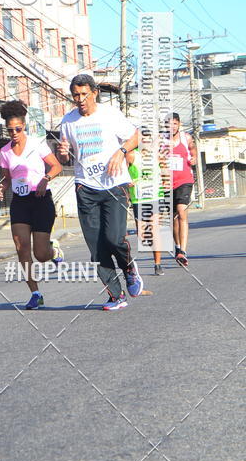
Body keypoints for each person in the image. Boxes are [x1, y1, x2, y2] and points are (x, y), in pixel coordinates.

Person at [57, 74, 142, 311]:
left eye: (84, 94)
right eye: (76, 95)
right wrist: (63, 152)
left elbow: (135, 136)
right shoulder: (68, 121)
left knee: (114, 238)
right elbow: (65, 157)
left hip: (114, 184)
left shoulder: (110, 114)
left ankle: (129, 269)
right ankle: (116, 295)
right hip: (86, 187)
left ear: (94, 92)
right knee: (96, 245)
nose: (80, 99)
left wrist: (120, 152)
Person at [0, 100, 62, 309]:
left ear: (24, 125)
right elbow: (8, 177)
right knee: (21, 247)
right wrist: (2, 187)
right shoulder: (5, 152)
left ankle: (54, 251)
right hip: (20, 202)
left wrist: (45, 179)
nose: (14, 133)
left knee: (41, 255)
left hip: (41, 199)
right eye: (10, 130)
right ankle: (35, 292)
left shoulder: (37, 144)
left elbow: (56, 166)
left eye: (17, 128)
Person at [127, 139, 166, 275]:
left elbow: (164, 171)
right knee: (142, 236)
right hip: (139, 198)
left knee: (154, 231)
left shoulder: (157, 155)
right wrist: (128, 181)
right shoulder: (132, 155)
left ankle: (157, 264)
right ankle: (154, 249)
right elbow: (122, 170)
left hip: (155, 197)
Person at [169, 113, 197, 266]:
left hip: (185, 181)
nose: (171, 127)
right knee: (173, 219)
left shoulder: (186, 138)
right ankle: (178, 247)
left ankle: (183, 251)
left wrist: (193, 158)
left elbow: (193, 151)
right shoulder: (161, 141)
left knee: (181, 212)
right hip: (167, 183)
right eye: (168, 124)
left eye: (174, 123)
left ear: (178, 124)